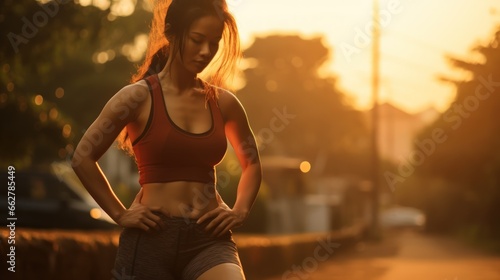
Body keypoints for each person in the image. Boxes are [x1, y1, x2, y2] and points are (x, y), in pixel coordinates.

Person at [71, 0, 261, 279]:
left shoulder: (225, 104)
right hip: (151, 239)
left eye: (214, 42)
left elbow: (252, 165)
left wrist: (240, 211)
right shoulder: (135, 97)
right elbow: (82, 158)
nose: (206, 51)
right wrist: (120, 214)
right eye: (197, 40)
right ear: (171, 33)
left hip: (208, 238)